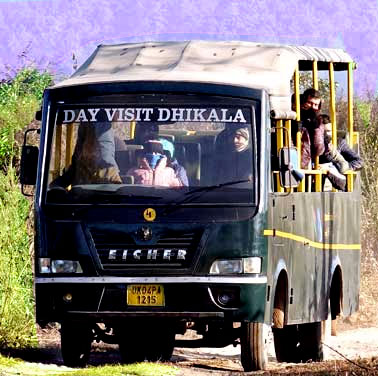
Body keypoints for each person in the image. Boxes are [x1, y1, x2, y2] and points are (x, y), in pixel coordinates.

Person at [51, 122, 122, 187]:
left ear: (99, 150)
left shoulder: (109, 172)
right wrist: (49, 190)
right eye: (86, 146)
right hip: (77, 200)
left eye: (93, 146)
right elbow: (64, 180)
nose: (88, 151)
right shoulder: (78, 167)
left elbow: (118, 195)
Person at [319, 114, 363, 190]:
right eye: (323, 131)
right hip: (315, 187)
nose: (326, 134)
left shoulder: (339, 142)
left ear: (333, 131)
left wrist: (342, 167)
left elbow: (359, 161)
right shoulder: (311, 143)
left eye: (329, 131)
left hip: (336, 189)